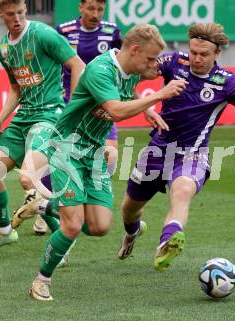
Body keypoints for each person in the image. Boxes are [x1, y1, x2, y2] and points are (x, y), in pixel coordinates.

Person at [15, 24, 187, 301]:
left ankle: (44, 204)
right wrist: (158, 96)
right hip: (67, 147)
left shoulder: (130, 70)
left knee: (100, 227)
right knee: (72, 225)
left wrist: (148, 109)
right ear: (134, 50)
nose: (153, 66)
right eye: (150, 59)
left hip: (94, 153)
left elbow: (128, 90)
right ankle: (41, 280)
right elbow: (115, 110)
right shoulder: (100, 70)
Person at [117, 22, 235, 272]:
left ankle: (167, 243)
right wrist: (147, 106)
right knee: (129, 210)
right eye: (193, 52)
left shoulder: (228, 83)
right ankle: (133, 232)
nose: (196, 58)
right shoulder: (173, 61)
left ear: (217, 54)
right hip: (157, 151)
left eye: (203, 54)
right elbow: (131, 75)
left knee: (182, 191)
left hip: (192, 155)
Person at [0, 0, 85, 257]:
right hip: (22, 118)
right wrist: (1, 118)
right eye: (11, 14)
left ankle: (66, 231)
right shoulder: (3, 48)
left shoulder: (43, 34)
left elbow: (78, 65)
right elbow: (16, 88)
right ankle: (5, 232)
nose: (17, 19)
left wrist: (74, 108)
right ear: (0, 13)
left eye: (21, 13)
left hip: (48, 116)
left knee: (28, 178)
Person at [30, 0, 123, 235]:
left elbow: (124, 67)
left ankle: (67, 202)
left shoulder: (112, 32)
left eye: (100, 9)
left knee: (109, 155)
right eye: (90, 8)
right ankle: (50, 201)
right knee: (64, 156)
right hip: (72, 106)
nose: (95, 14)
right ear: (81, 7)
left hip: (102, 104)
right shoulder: (64, 30)